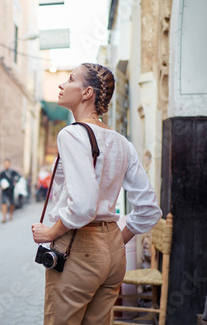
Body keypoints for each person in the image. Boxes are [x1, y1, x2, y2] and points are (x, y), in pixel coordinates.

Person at [31, 63, 162, 324]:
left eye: (69, 79)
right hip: (114, 253)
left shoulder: (72, 134)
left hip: (78, 247)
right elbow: (149, 209)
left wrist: (50, 232)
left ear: (86, 92)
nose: (61, 84)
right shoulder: (122, 142)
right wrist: (115, 242)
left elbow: (83, 205)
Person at [0, 159, 20, 223]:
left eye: (7, 164)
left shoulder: (12, 172)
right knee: (3, 203)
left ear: (9, 165)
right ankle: (4, 217)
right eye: (5, 164)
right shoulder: (2, 173)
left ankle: (10, 214)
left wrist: (15, 182)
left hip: (11, 189)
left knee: (12, 203)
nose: (6, 165)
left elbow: (18, 176)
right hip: (4, 190)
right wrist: (1, 185)